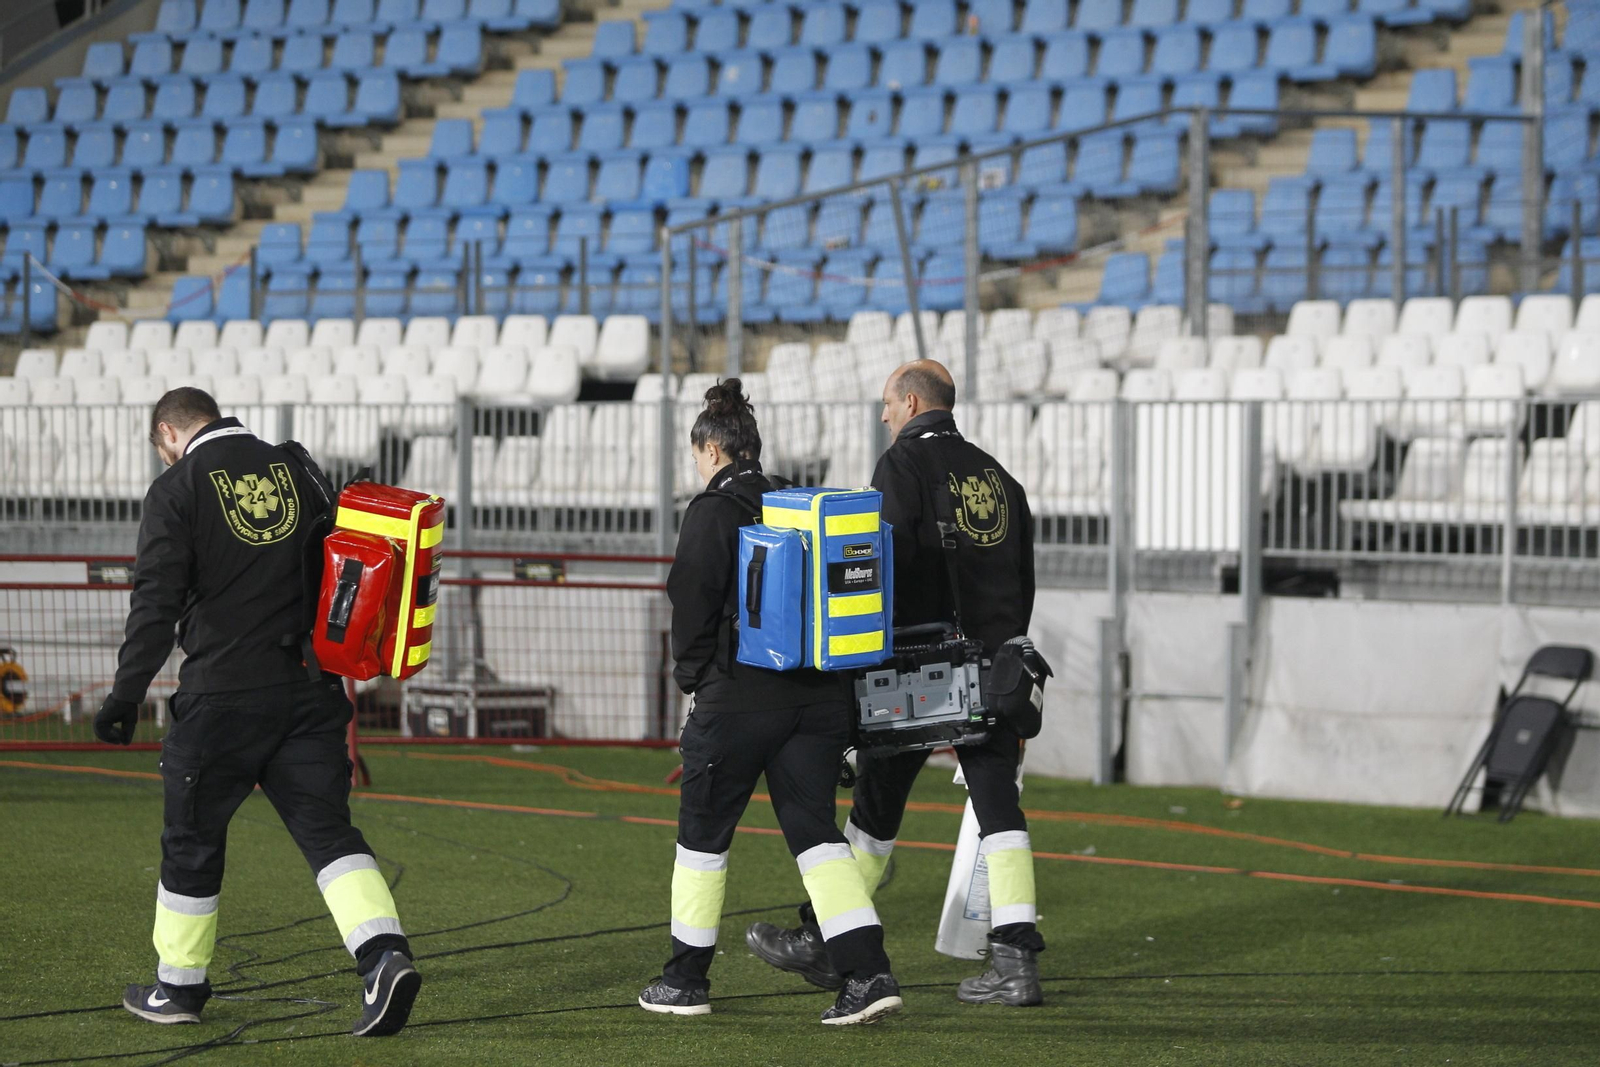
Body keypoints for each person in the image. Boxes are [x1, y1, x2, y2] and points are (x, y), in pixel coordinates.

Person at [94, 388, 421, 1037]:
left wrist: (125, 695)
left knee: (192, 837)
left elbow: (155, 603)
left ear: (168, 433)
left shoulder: (177, 487)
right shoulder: (296, 466)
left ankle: (178, 986)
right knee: (329, 834)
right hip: (309, 689)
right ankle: (384, 958)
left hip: (222, 694)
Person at [747, 359, 1046, 1007]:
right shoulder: (1000, 477)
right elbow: (1023, 575)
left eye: (888, 402)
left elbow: (883, 572)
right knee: (999, 807)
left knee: (875, 808)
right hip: (994, 666)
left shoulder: (902, 465)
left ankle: (827, 939)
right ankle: (1016, 961)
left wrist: (861, 668)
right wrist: (1003, 651)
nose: (883, 414)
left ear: (911, 403)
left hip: (921, 670)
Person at [637, 379, 904, 1026]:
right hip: (818, 700)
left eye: (696, 455)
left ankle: (685, 981)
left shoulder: (711, 510)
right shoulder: (793, 500)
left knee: (703, 839)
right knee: (818, 837)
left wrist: (693, 680)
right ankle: (868, 973)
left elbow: (692, 601)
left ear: (710, 450)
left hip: (737, 699)